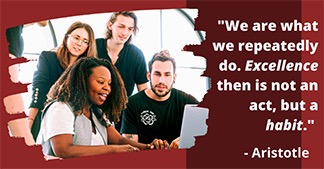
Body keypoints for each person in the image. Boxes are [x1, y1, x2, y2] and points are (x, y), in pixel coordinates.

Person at [36, 57, 153, 158]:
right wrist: (113, 150)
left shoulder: (96, 112)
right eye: (101, 82)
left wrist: (149, 147)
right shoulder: (60, 108)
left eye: (109, 83)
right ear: (83, 82)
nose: (107, 88)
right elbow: (63, 150)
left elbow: (119, 140)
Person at [27, 21, 98, 141]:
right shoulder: (48, 58)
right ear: (67, 38)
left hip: (73, 121)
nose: (80, 43)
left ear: (88, 46)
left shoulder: (88, 69)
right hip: (45, 115)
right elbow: (38, 90)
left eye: (85, 41)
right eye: (76, 38)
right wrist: (29, 122)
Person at [121, 50, 199, 149]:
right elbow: (129, 148)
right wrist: (150, 147)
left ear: (174, 77)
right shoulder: (132, 103)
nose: (162, 80)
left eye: (167, 75)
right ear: (149, 76)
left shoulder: (187, 101)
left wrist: (186, 140)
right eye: (157, 74)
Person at [96, 11, 149, 131]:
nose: (125, 33)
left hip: (122, 117)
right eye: (121, 26)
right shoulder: (94, 46)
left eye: (130, 29)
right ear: (110, 25)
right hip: (91, 111)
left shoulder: (136, 55)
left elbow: (144, 92)